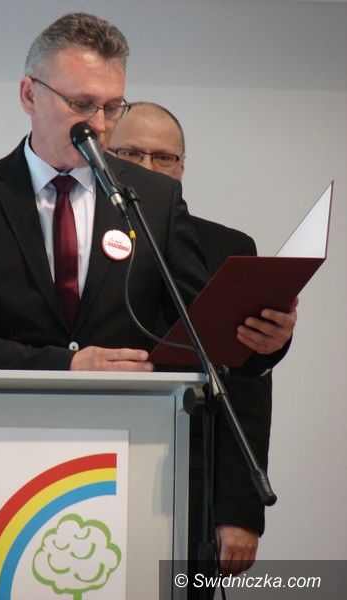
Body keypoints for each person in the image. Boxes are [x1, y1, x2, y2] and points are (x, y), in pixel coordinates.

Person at [0, 13, 295, 586]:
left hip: (138, 471)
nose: (98, 124)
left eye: (112, 107)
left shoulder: (152, 198)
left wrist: (266, 343)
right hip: (9, 465)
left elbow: (203, 335)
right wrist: (66, 365)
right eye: (82, 104)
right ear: (29, 94)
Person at [109, 101, 298, 576]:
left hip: (190, 482)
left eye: (163, 157)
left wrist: (238, 511)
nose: (147, 168)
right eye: (130, 154)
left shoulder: (226, 249)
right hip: (81, 465)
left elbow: (245, 386)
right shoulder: (72, 244)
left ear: (182, 167)